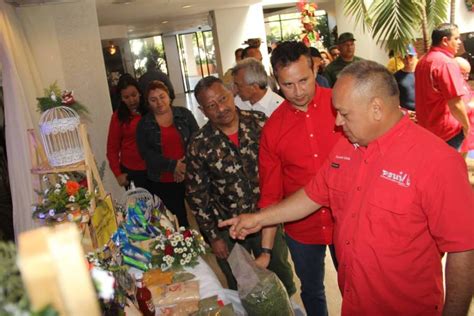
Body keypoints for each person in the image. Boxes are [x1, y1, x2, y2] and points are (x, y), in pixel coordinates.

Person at [220, 60, 474, 316]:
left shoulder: (437, 162)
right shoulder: (345, 147)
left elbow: (463, 249)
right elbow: (312, 195)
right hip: (355, 301)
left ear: (376, 108)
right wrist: (259, 218)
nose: (338, 122)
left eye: (345, 113)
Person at [185, 76, 296, 296]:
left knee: (280, 274)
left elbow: (282, 165)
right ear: (202, 110)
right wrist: (213, 237)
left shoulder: (260, 122)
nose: (221, 108)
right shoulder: (199, 144)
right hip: (230, 229)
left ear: (231, 94)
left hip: (268, 219)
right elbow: (198, 196)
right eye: (211, 105)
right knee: (243, 286)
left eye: (223, 98)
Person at [257, 41, 341, 316]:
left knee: (357, 286)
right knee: (313, 290)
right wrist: (266, 250)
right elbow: (270, 194)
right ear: (276, 82)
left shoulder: (341, 104)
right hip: (302, 229)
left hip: (349, 220)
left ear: (315, 68)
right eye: (287, 85)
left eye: (303, 80)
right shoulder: (273, 129)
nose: (298, 92)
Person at [136, 81, 198, 227]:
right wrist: (173, 166)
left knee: (202, 216)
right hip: (163, 180)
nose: (159, 102)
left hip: (191, 174)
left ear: (169, 96)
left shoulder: (184, 114)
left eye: (162, 96)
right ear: (148, 103)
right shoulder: (144, 124)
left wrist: (183, 166)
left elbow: (197, 141)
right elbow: (146, 154)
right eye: (153, 99)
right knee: (177, 223)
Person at [415, 23, 470, 150]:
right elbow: (455, 103)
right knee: (449, 167)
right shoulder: (446, 63)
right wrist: (467, 127)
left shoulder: (423, 61)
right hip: (447, 133)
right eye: (456, 38)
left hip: (427, 129)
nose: (459, 42)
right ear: (445, 40)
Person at [106, 74, 149, 190]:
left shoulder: (149, 110)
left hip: (154, 167)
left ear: (140, 92)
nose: (131, 100)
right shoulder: (118, 117)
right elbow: (112, 149)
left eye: (134, 95)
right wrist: (117, 174)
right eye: (126, 97)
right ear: (121, 98)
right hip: (132, 171)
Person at [455, 56, 474, 154]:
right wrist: (470, 106)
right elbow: (455, 107)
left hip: (467, 131)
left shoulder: (463, 83)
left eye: (468, 74)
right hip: (457, 132)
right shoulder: (451, 86)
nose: (467, 77)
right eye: (463, 74)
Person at [394, 44, 418, 111]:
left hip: (422, 113)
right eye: (405, 57)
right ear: (401, 58)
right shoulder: (396, 76)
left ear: (416, 56)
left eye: (410, 56)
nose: (408, 60)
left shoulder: (422, 74)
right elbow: (392, 97)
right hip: (406, 115)